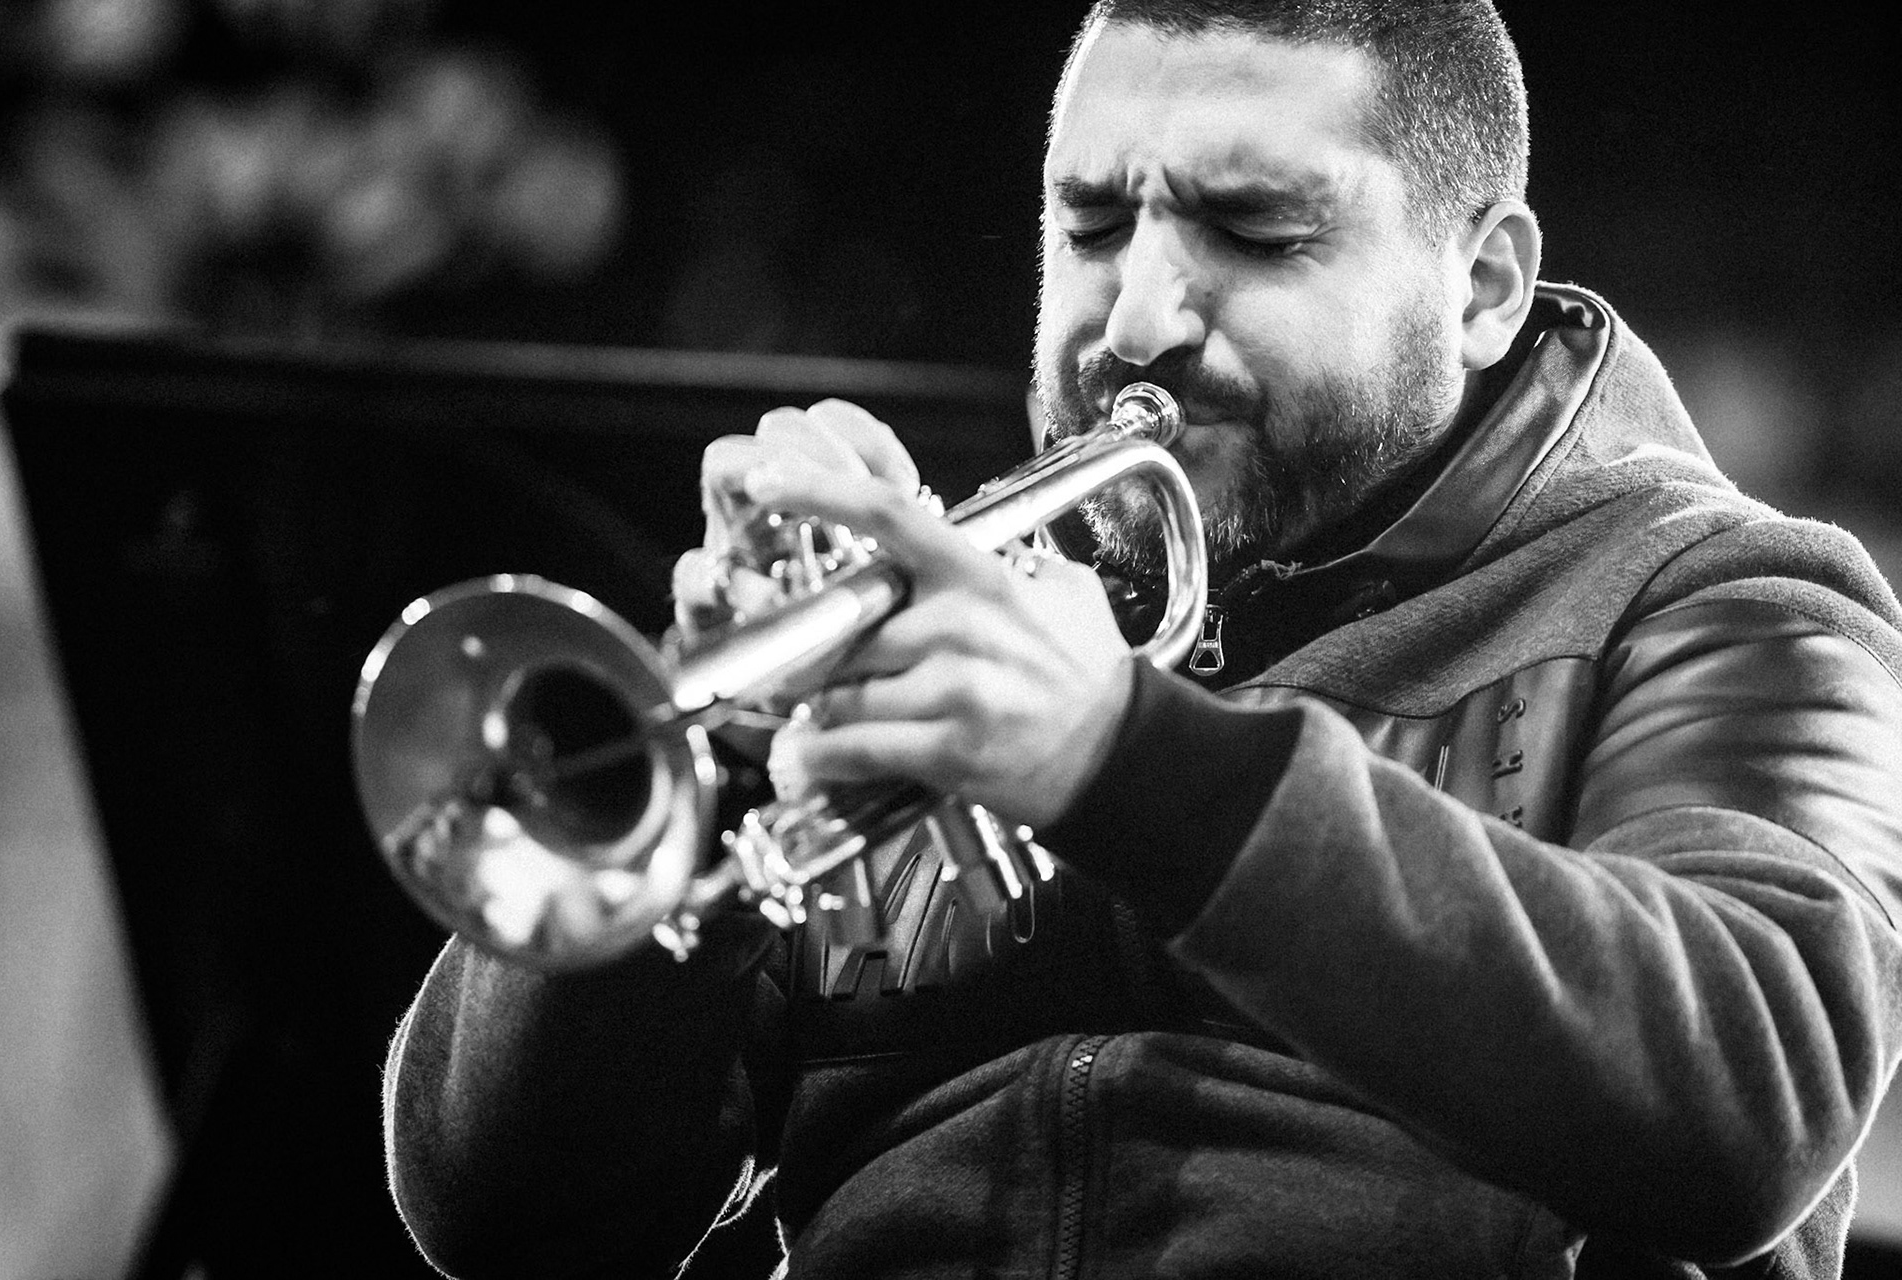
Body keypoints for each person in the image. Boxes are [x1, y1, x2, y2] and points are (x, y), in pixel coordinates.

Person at [382, 2, 1902, 1276]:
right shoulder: (955, 618)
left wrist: (1123, 756)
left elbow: (1750, 1090)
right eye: (1094, 224)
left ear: (1486, 285)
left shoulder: (1722, 601)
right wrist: (712, 754)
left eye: (1252, 231)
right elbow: (496, 1220)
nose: (1138, 320)